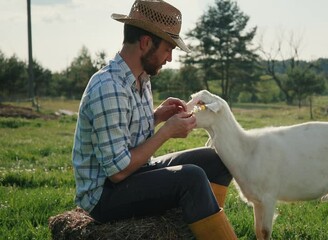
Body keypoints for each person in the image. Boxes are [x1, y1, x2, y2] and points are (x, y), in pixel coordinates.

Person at [71, 0, 237, 239]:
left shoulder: (141, 78)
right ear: (146, 42)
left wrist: (157, 116)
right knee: (192, 177)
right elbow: (118, 171)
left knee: (216, 159)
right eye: (168, 49)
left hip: (136, 172)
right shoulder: (108, 88)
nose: (169, 58)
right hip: (105, 195)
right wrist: (166, 132)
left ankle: (199, 228)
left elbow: (126, 132)